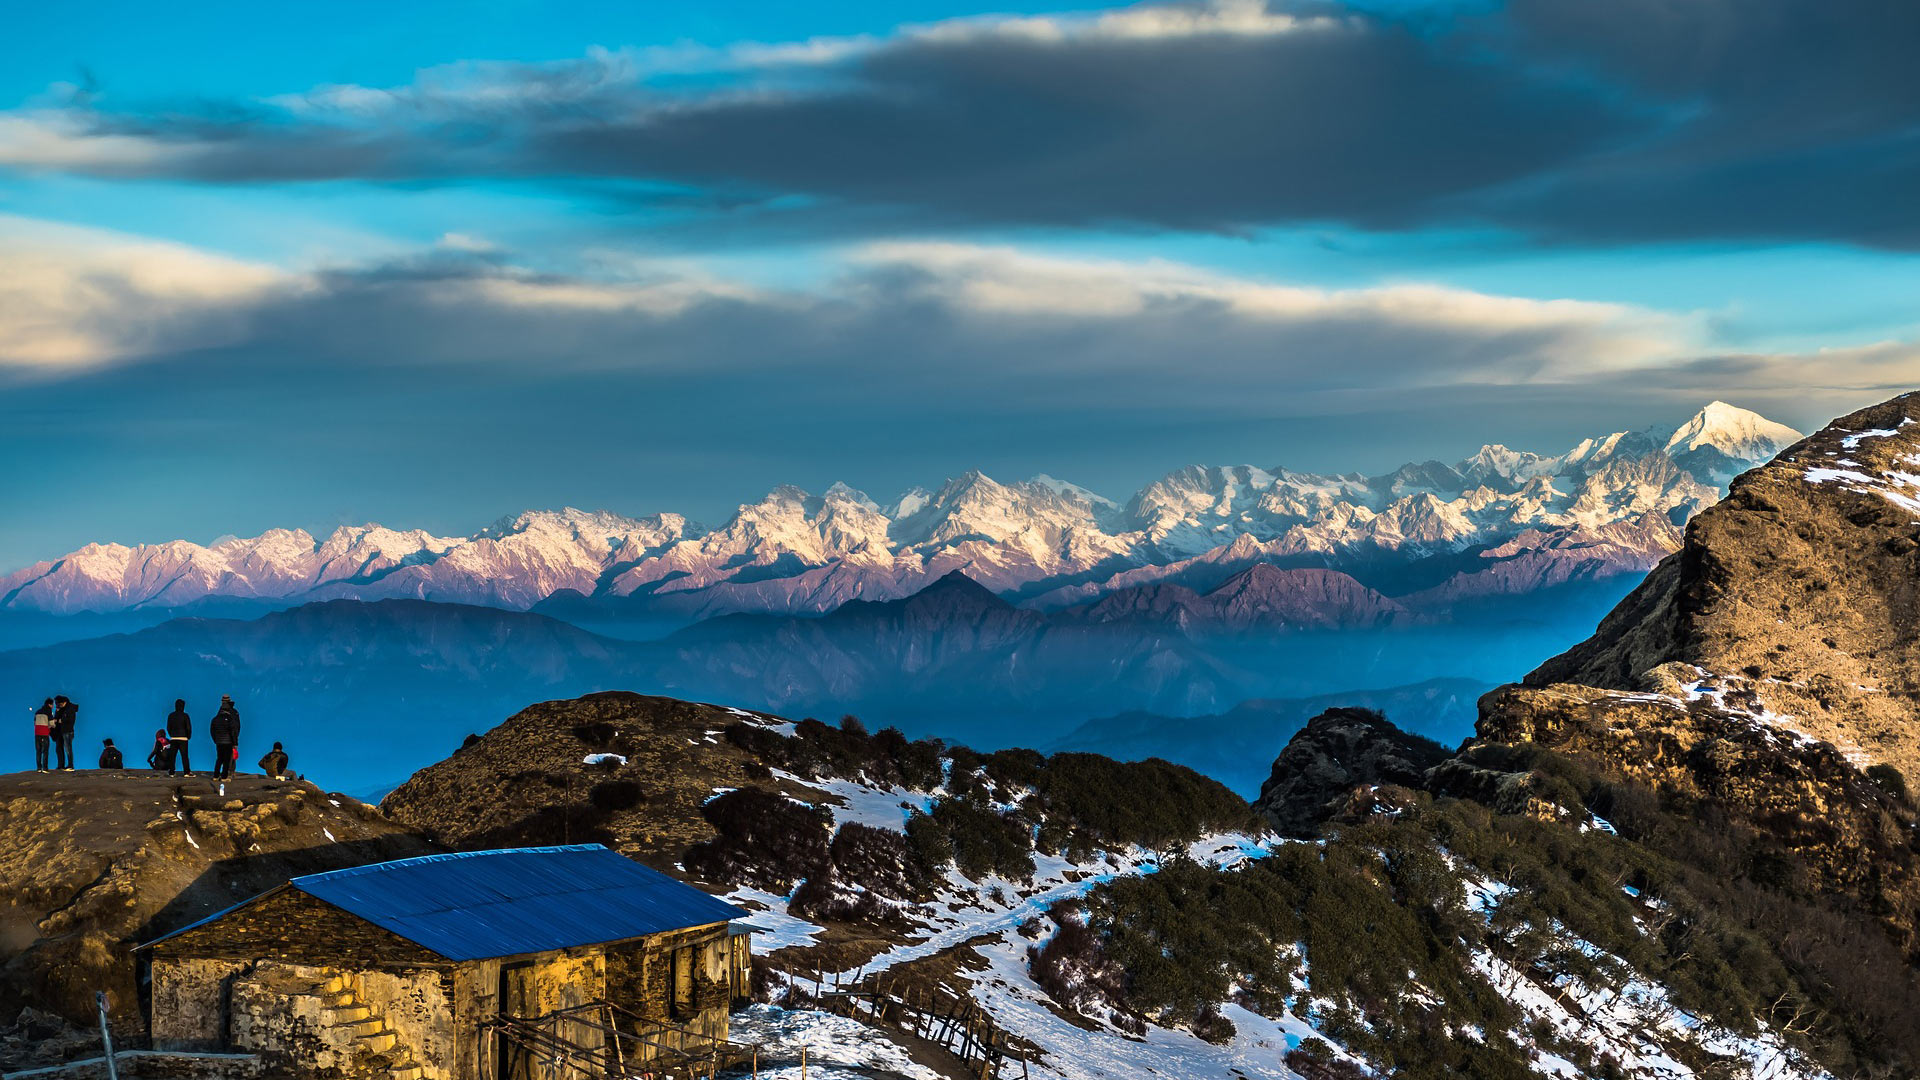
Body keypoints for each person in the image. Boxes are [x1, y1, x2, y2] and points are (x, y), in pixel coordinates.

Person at [210, 695, 240, 780]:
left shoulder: (216, 718)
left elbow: (212, 730)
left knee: (219, 758)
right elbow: (234, 729)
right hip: (229, 741)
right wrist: (235, 741)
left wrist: (216, 740)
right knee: (228, 759)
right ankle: (225, 776)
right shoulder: (232, 715)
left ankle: (216, 775)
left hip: (219, 741)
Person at [165, 699, 193, 776]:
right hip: (183, 738)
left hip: (173, 738)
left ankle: (171, 772)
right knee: (184, 756)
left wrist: (171, 735)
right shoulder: (185, 716)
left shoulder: (171, 715)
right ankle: (186, 772)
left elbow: (168, 727)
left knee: (172, 756)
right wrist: (188, 736)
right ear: (183, 706)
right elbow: (188, 728)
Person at [51, 696, 77, 772]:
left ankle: (70, 765)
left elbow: (71, 720)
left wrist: (61, 720)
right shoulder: (60, 709)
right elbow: (56, 718)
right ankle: (60, 765)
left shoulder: (70, 708)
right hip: (60, 731)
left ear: (63, 702)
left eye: (58, 703)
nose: (57, 705)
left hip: (68, 731)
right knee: (59, 748)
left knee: (68, 748)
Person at [32, 699, 53, 773]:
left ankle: (38, 768)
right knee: (45, 751)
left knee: (38, 751)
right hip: (44, 733)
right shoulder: (49, 712)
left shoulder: (37, 712)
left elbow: (34, 723)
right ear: (49, 704)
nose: (53, 706)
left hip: (37, 733)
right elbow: (51, 723)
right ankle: (45, 768)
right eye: (52, 705)